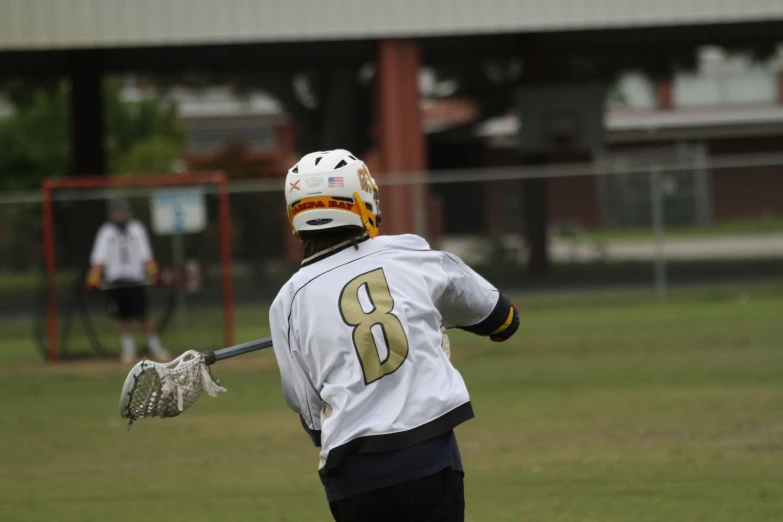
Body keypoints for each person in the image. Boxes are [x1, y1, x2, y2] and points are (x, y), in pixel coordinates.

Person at [269, 149, 520, 521]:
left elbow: (309, 413)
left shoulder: (288, 301)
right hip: (429, 456)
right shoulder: (409, 252)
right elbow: (502, 319)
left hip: (353, 474)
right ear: (363, 200)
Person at [86, 198, 170, 364]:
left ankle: (155, 347)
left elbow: (146, 255)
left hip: (135, 279)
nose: (121, 214)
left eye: (123, 211)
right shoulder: (106, 232)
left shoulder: (137, 229)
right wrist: (94, 276)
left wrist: (153, 273)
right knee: (123, 318)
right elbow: (99, 257)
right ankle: (128, 349)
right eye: (117, 212)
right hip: (115, 280)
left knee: (143, 316)